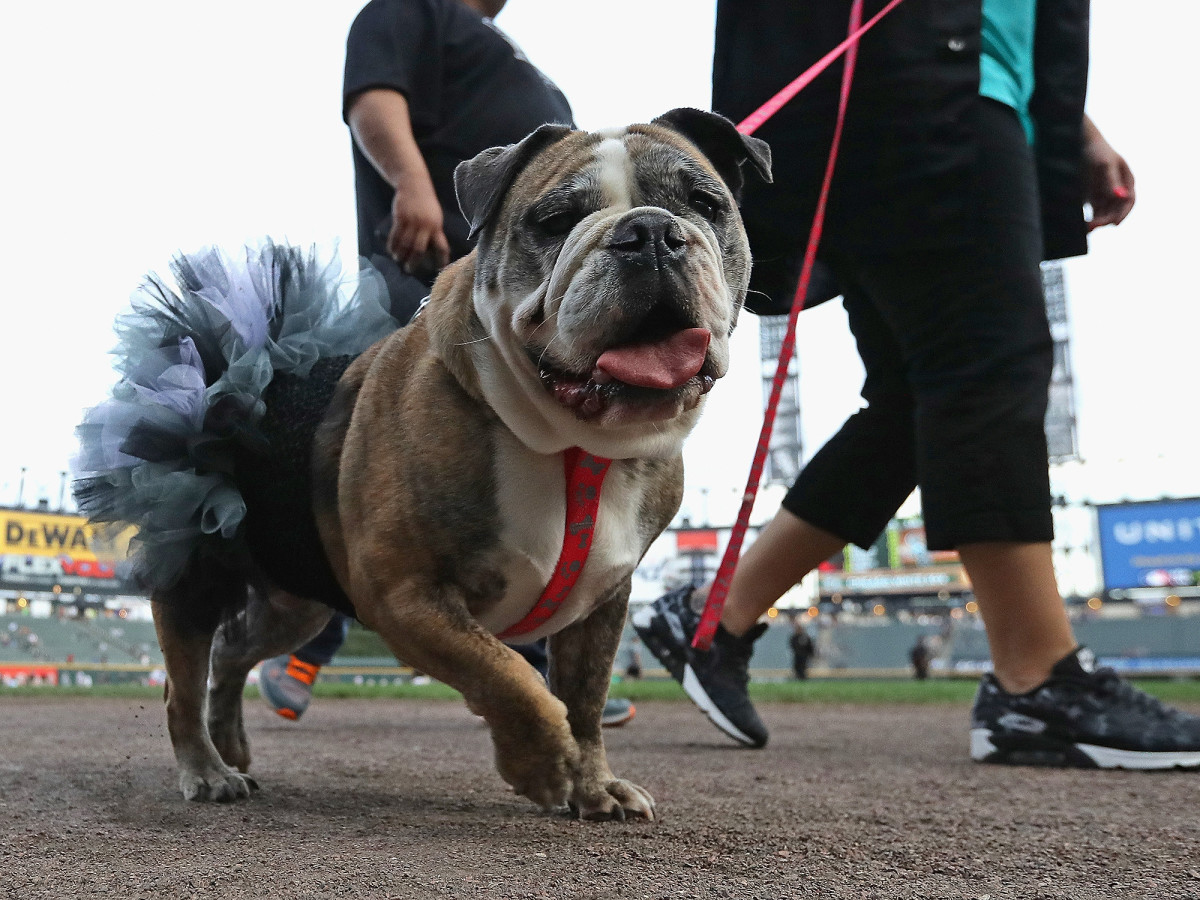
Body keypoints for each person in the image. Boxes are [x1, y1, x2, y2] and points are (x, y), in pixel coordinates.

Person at [636, 0, 1200, 768]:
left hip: (949, 85)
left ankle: (715, 612)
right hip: (921, 87)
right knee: (986, 363)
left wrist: (1073, 126)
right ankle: (1036, 681)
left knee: (914, 398)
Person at [259, 0, 642, 728]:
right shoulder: (409, 11)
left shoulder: (512, 55)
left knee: (525, 478)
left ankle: (539, 671)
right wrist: (412, 185)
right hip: (426, 279)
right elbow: (374, 101)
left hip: (513, 301)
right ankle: (308, 635)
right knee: (376, 486)